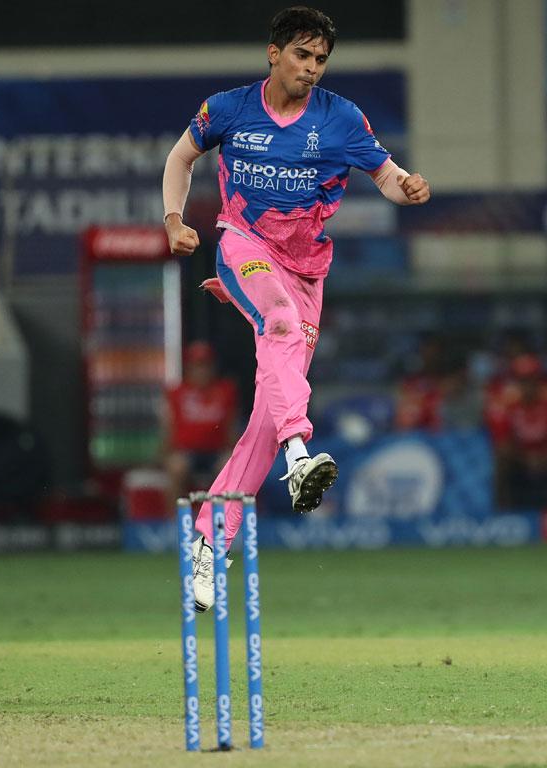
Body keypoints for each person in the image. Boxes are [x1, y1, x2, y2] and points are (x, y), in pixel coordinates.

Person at [161, 6, 429, 610]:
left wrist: (407, 186)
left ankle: (209, 540)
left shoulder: (341, 118)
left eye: (321, 59)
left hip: (307, 271)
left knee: (266, 412)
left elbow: (386, 175)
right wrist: (174, 220)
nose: (312, 68)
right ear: (274, 53)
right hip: (243, 246)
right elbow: (180, 159)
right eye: (302, 56)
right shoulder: (228, 108)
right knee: (278, 326)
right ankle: (301, 452)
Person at [488, 354, 547, 510]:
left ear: (538, 380)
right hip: (518, 457)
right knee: (499, 454)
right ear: (516, 382)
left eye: (531, 379)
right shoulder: (504, 403)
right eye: (522, 380)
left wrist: (543, 456)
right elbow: (502, 441)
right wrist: (526, 457)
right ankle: (501, 513)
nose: (527, 385)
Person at [163, 341, 240, 507]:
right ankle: (172, 523)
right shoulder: (176, 392)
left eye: (205, 366)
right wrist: (165, 454)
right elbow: (168, 427)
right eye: (197, 366)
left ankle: (228, 522)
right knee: (176, 467)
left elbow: (231, 426)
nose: (201, 371)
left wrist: (235, 453)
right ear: (189, 368)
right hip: (186, 453)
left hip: (217, 452)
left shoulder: (225, 390)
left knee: (230, 465)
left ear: (212, 367)